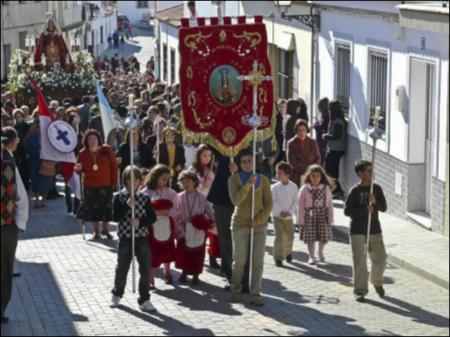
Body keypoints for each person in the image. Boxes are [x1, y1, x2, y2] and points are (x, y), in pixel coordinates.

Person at [228, 149, 273, 306]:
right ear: (239, 164)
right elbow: (236, 201)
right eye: (244, 161)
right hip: (240, 224)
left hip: (259, 226)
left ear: (255, 162)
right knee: (239, 260)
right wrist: (248, 185)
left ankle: (255, 293)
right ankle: (235, 288)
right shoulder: (233, 179)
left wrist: (259, 220)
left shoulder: (264, 179)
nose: (247, 164)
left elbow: (269, 204)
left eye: (250, 161)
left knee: (258, 261)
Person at [111, 165, 157, 312]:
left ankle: (144, 299)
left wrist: (140, 222)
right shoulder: (118, 197)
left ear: (139, 181)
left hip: (141, 237)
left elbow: (152, 217)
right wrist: (126, 206)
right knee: (122, 268)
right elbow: (115, 216)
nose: (133, 182)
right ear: (124, 180)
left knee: (145, 268)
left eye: (135, 179)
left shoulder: (144, 197)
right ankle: (117, 293)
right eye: (129, 179)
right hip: (125, 237)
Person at [344, 160, 387, 303]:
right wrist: (364, 210)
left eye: (372, 170)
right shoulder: (354, 191)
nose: (371, 173)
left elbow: (384, 207)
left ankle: (376, 281)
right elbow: (347, 211)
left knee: (380, 259)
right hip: (357, 231)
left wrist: (375, 203)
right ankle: (360, 290)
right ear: (360, 174)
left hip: (374, 229)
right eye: (368, 171)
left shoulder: (377, 188)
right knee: (360, 262)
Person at [1, 128, 29, 324]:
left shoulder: (8, 163)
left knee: (4, 269)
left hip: (7, 225)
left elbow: (20, 196)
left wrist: (18, 223)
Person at [175, 170, 216, 286]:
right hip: (184, 228)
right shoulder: (179, 197)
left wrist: (210, 222)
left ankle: (195, 275)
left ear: (194, 181)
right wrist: (178, 226)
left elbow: (210, 211)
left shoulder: (202, 197)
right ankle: (184, 272)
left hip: (198, 229)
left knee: (197, 253)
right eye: (183, 182)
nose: (185, 184)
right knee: (184, 252)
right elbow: (177, 213)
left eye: (187, 181)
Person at [75, 129, 117, 240]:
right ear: (86, 141)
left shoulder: (106, 149)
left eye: (94, 138)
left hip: (106, 184)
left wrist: (114, 182)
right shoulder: (82, 153)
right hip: (90, 185)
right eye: (90, 139)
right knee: (93, 209)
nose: (92, 141)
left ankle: (106, 230)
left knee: (106, 208)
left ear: (98, 139)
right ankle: (95, 231)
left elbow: (113, 167)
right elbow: (78, 168)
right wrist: (78, 169)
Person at [298, 165, 334, 265]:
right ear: (308, 176)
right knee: (310, 237)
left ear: (321, 176)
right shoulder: (304, 189)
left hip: (323, 214)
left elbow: (330, 204)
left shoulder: (326, 188)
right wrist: (300, 220)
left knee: (323, 236)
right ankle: (311, 256)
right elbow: (300, 206)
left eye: (318, 176)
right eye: (313, 176)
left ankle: (320, 252)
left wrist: (330, 218)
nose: (315, 178)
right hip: (309, 215)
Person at [191, 144, 220, 269]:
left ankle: (212, 255)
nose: (207, 158)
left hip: (211, 202)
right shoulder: (193, 170)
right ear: (199, 156)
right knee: (199, 231)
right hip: (197, 203)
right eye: (204, 155)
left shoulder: (213, 169)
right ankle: (197, 256)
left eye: (209, 155)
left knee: (213, 230)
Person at [271, 162, 298, 267]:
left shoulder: (293, 186)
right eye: (276, 173)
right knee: (279, 237)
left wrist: (290, 212)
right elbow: (272, 201)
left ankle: (288, 252)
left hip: (289, 217)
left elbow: (295, 201)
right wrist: (280, 211)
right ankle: (278, 258)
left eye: (280, 173)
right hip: (277, 217)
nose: (277, 175)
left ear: (287, 174)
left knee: (290, 236)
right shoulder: (274, 188)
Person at [24, 116, 54, 208]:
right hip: (34, 162)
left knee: (46, 181)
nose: (39, 127)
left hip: (46, 162)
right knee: (35, 182)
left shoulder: (49, 136)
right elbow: (28, 148)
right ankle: (37, 199)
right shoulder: (31, 136)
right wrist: (38, 152)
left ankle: (44, 199)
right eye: (38, 125)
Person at [147, 199, 177, 288]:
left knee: (167, 258)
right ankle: (150, 277)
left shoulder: (170, 219)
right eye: (165, 209)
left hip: (167, 242)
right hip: (154, 244)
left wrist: (175, 234)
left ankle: (167, 272)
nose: (168, 211)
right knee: (153, 261)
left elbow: (172, 229)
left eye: (168, 209)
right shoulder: (151, 219)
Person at [323, 100, 347, 199]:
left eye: (329, 108)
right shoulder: (338, 120)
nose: (328, 110)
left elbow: (337, 136)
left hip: (336, 149)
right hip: (335, 149)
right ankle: (336, 189)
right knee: (330, 169)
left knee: (329, 170)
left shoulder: (338, 121)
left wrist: (326, 136)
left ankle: (338, 190)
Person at [287, 119, 321, 187]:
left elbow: (318, 158)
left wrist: (312, 170)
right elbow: (292, 162)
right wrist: (306, 170)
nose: (301, 133)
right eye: (299, 130)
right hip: (297, 176)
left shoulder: (313, 142)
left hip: (312, 175)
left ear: (306, 131)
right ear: (296, 131)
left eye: (303, 130)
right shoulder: (291, 143)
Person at [157, 127, 185, 192]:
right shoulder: (160, 146)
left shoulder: (179, 148)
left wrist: (180, 165)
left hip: (176, 173)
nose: (170, 136)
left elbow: (183, 160)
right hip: (164, 172)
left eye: (172, 135)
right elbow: (158, 161)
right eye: (168, 135)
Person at [313, 97, 330, 166]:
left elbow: (322, 126)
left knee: (321, 157)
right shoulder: (323, 115)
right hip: (320, 138)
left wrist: (315, 126)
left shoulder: (326, 116)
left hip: (321, 139)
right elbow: (319, 124)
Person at [274, 99, 288, 163]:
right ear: (278, 107)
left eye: (284, 106)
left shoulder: (287, 117)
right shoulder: (276, 117)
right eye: (281, 106)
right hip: (279, 140)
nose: (282, 108)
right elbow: (276, 130)